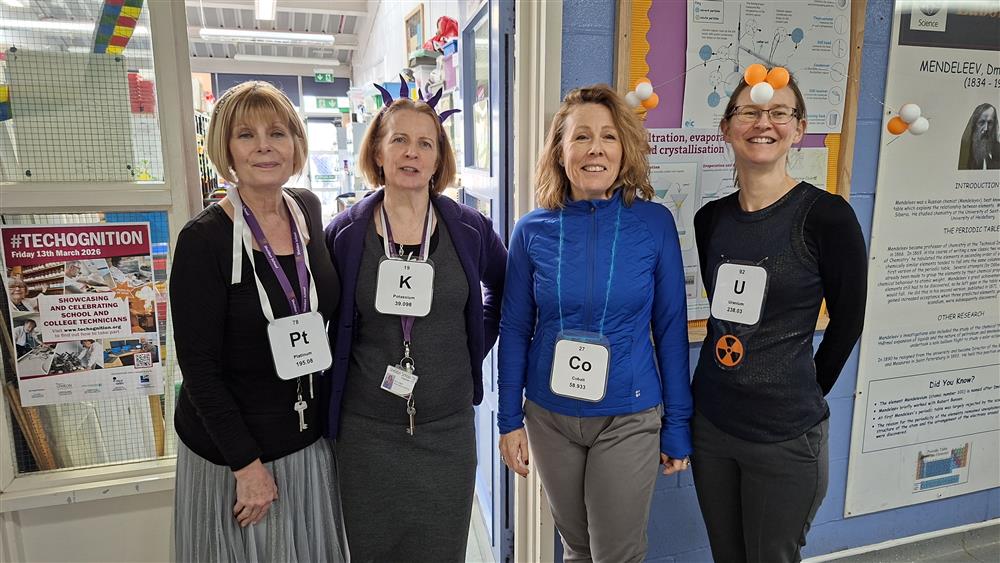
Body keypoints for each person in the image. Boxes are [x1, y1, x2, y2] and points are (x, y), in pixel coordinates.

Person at [497, 84, 692, 562]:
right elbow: (515, 327)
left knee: (615, 554)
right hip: (549, 417)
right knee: (578, 548)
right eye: (581, 137)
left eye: (608, 136)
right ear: (560, 151)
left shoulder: (654, 224)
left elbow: (671, 328)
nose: (595, 149)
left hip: (628, 414)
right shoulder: (531, 230)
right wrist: (508, 419)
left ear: (624, 150)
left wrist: (678, 424)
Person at [323, 84, 506, 562]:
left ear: (439, 157)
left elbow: (505, 289)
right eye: (399, 140)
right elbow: (320, 318)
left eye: (426, 143)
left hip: (447, 431)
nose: (412, 153)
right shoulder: (344, 234)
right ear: (377, 152)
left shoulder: (469, 228)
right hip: (367, 434)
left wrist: (473, 347)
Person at [690, 71, 867, 563]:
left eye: (778, 112)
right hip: (713, 425)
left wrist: (802, 389)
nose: (763, 123)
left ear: (799, 128)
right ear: (727, 128)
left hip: (784, 436)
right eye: (748, 112)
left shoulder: (827, 216)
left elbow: (848, 320)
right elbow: (728, 316)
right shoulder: (710, 220)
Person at [170, 81, 347, 561]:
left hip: (304, 438)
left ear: (296, 144)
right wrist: (246, 467)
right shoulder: (204, 240)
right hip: (236, 456)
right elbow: (199, 371)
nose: (264, 146)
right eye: (246, 135)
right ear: (226, 149)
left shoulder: (306, 208)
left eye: (277, 133)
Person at [958, 103, 1000, 170]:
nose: (986, 128)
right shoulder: (965, 150)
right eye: (981, 122)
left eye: (990, 123)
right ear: (974, 125)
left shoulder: (998, 149)